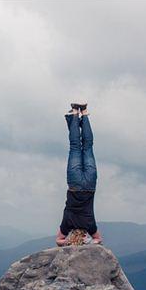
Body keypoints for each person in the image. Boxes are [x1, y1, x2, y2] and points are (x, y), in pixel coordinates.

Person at [56, 102, 103, 246]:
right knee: (76, 147)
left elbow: (98, 240)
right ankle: (76, 113)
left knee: (88, 147)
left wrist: (89, 243)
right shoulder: (67, 224)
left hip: (90, 186)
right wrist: (68, 242)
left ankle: (84, 112)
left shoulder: (90, 226)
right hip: (75, 185)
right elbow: (58, 241)